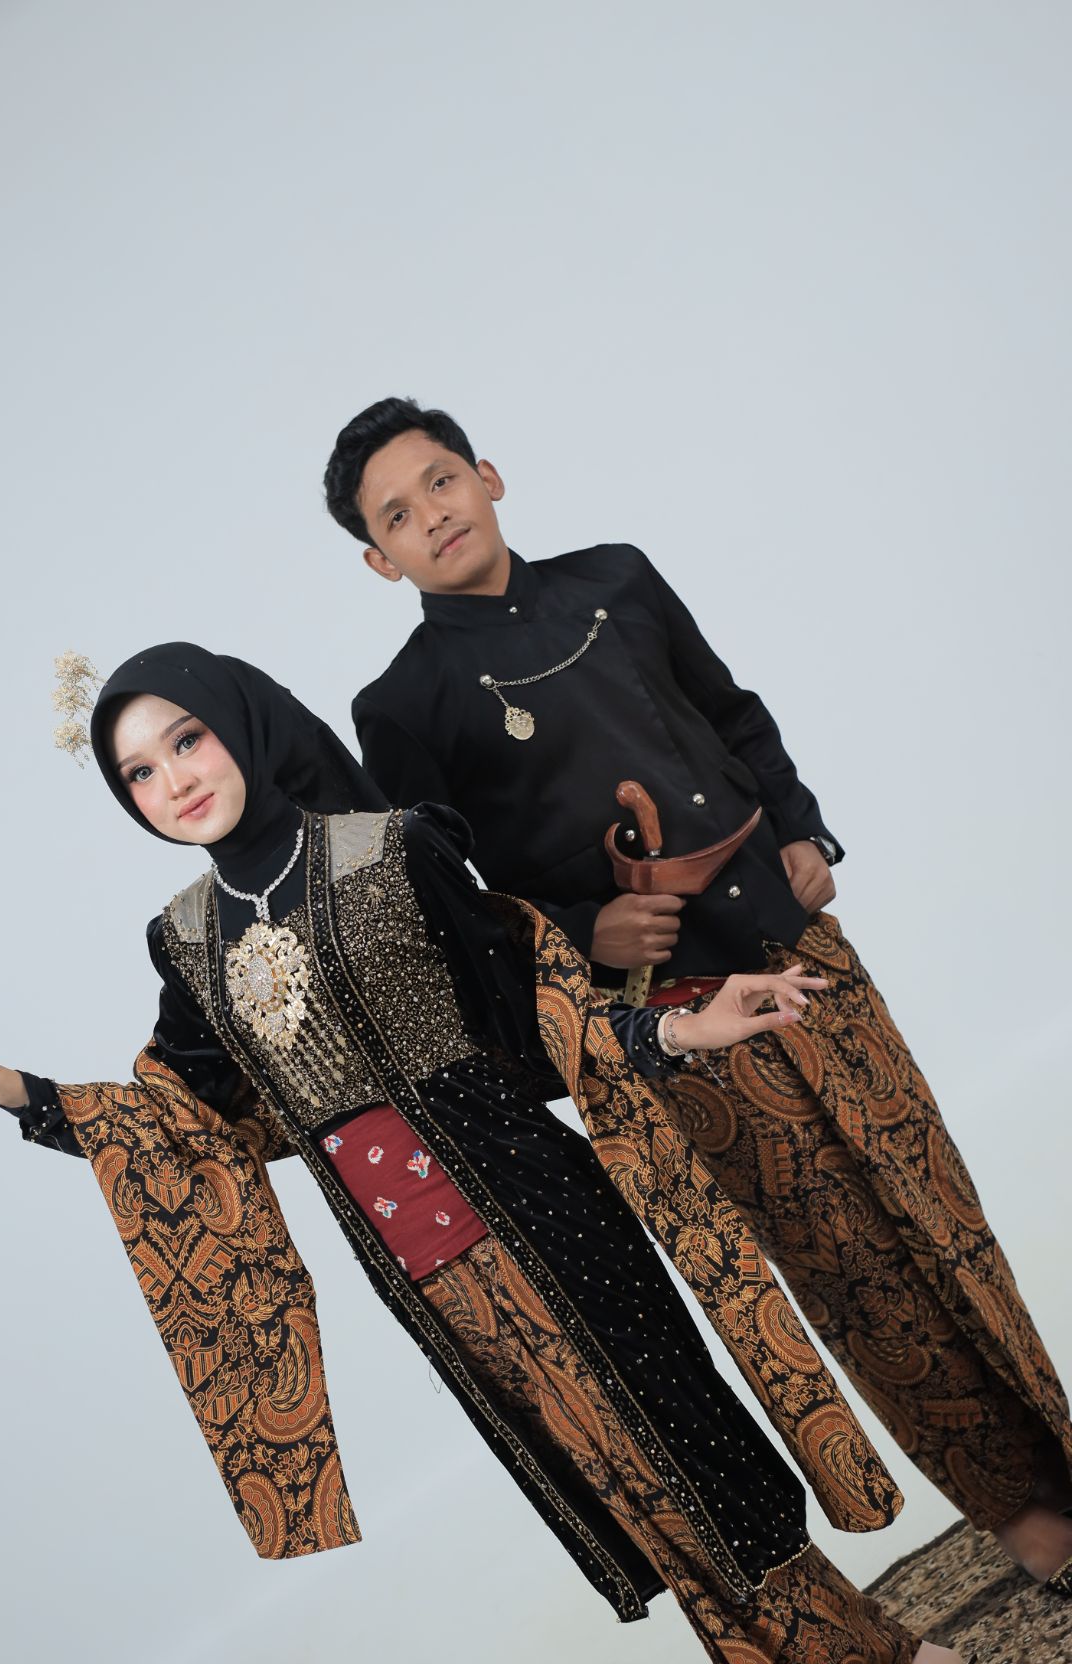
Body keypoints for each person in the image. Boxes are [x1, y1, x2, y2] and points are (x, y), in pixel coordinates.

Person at [0, 648, 998, 1664]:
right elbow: (182, 1125)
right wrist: (2, 1084)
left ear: (243, 723)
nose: (171, 779)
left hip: (540, 1217)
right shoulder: (183, 939)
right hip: (424, 1276)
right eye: (137, 771)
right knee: (628, 1492)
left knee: (683, 1462)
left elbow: (536, 1019)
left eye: (186, 740)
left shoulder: (394, 848)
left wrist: (675, 1026)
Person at [325, 395, 1072, 1603]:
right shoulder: (402, 707)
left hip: (796, 945)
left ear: (488, 475)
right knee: (845, 1267)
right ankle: (1020, 1512)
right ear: (379, 561)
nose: (433, 516)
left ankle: (1061, 1451)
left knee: (941, 1215)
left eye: (441, 481)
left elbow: (729, 714)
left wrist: (802, 828)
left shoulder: (615, 579)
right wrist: (587, 932)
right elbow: (460, 911)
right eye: (396, 516)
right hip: (679, 1020)